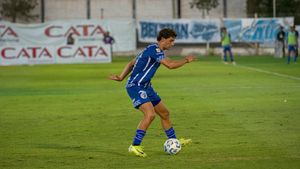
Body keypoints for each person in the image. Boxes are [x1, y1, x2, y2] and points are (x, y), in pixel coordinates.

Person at [109, 28, 195, 157]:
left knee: (165, 113)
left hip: (146, 86)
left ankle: (173, 140)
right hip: (136, 86)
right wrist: (186, 60)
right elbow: (170, 65)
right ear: (163, 39)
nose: (172, 44)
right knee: (150, 115)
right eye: (171, 41)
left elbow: (131, 63)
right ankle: (135, 146)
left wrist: (121, 77)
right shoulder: (154, 50)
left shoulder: (152, 49)